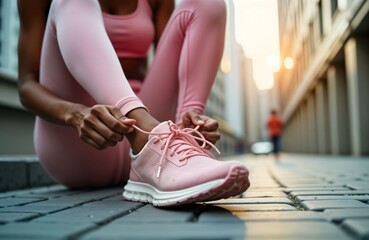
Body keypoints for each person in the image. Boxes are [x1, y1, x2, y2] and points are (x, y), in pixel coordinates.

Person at [17, 0, 250, 207]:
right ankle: (152, 137)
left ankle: (179, 145)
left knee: (208, 3)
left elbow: (175, 61)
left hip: (147, 139)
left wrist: (190, 113)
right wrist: (76, 114)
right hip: (83, 138)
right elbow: (27, 85)